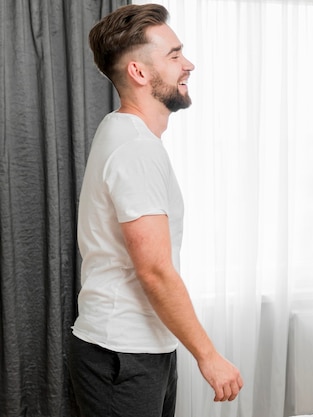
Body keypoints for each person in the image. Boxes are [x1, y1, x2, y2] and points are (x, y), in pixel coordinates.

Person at [68, 4, 243, 416]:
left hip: (135, 350)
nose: (189, 64)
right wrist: (208, 356)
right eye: (175, 55)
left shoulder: (120, 132)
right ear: (139, 73)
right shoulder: (135, 148)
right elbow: (155, 269)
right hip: (123, 356)